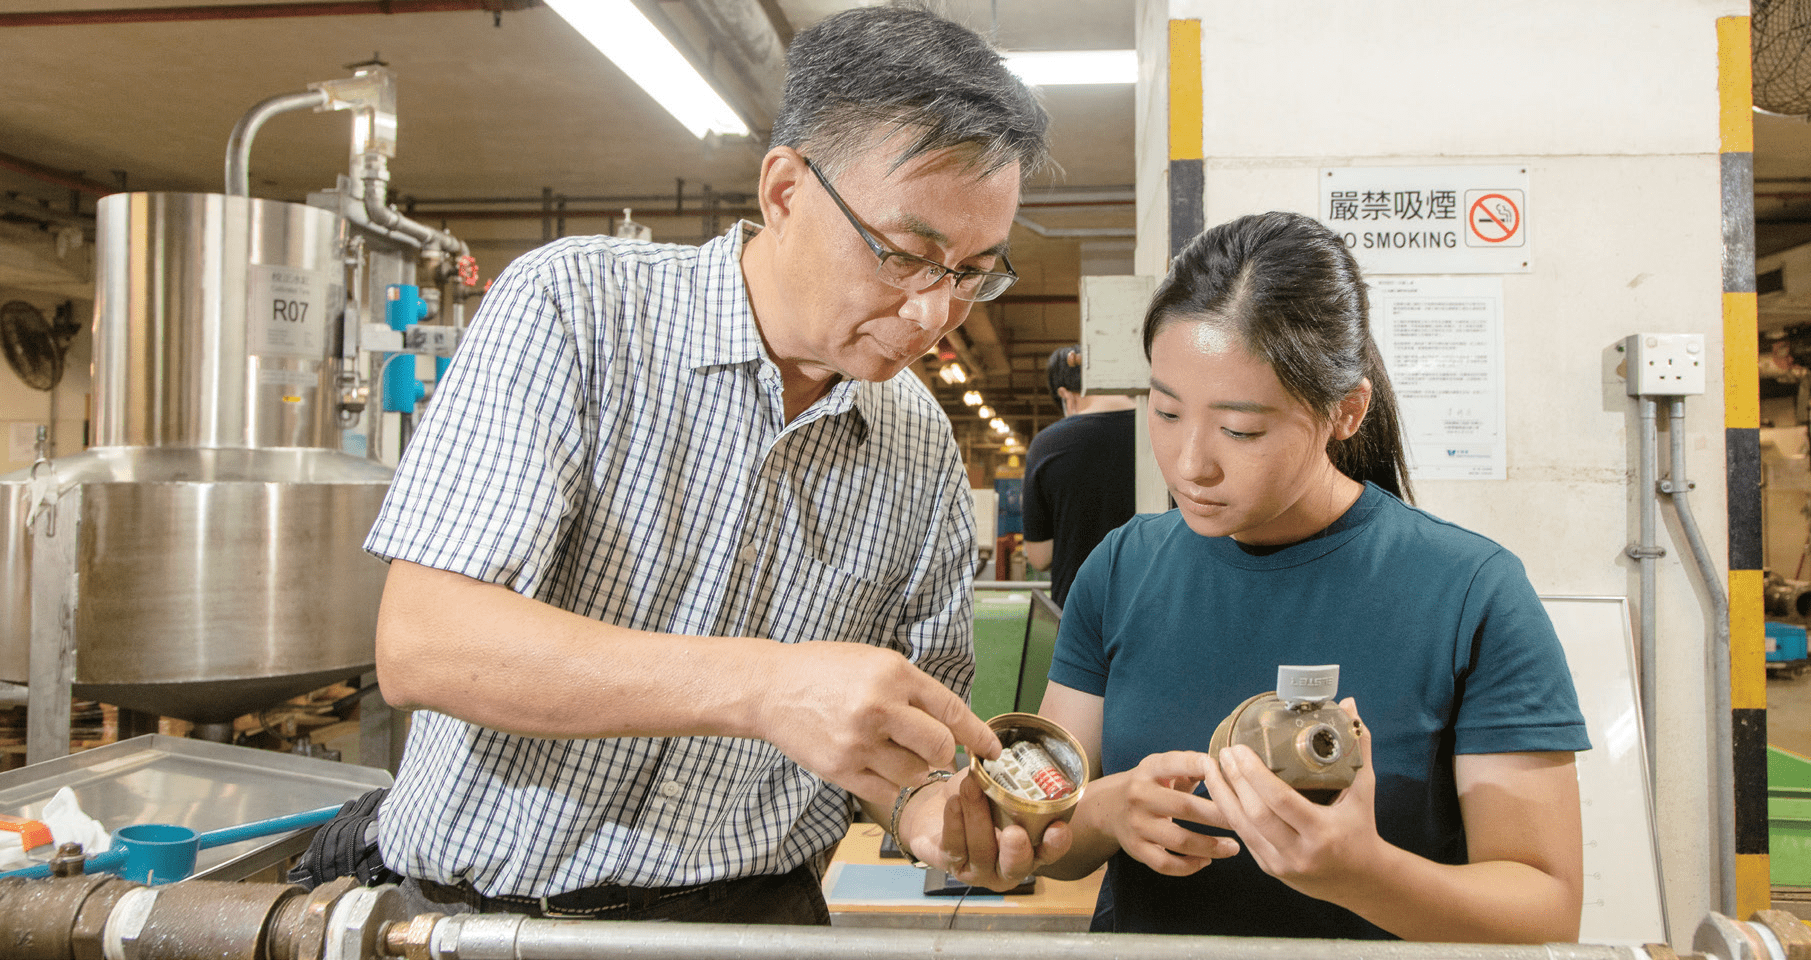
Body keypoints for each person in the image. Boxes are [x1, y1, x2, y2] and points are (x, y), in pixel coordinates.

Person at [357, 2, 1060, 923]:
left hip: (751, 920)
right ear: (784, 191)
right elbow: (426, 643)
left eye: (973, 272)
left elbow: (905, 748)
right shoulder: (577, 310)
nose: (935, 313)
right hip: (486, 917)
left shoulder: (919, 445)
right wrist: (764, 687)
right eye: (906, 255)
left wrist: (931, 808)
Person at [1028, 212, 1591, 941]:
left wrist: (1362, 874)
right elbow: (1045, 828)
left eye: (1242, 430)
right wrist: (1105, 813)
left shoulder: (1471, 591)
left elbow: (1545, 909)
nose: (1190, 462)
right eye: (1165, 411)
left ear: (1346, 411)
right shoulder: (1122, 568)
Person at [1020, 345, 1136, 605]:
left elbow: (1039, 557)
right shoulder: (1162, 429)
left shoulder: (1047, 445)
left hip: (1079, 611)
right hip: (1156, 605)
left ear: (1065, 395)